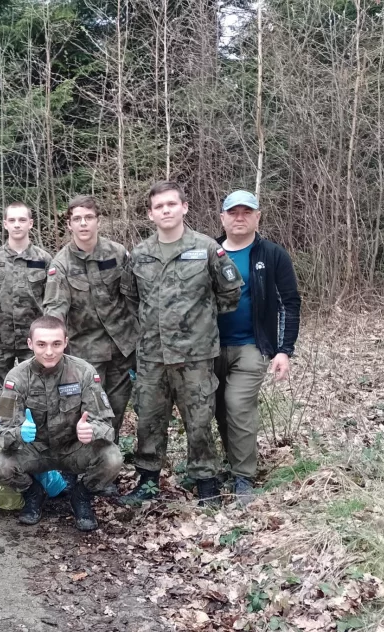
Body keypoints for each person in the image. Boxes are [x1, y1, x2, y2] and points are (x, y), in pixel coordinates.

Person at [119, 181, 243, 508]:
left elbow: (230, 293)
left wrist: (200, 322)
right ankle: (147, 484)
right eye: (159, 207)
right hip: (152, 356)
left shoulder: (206, 248)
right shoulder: (140, 254)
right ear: (150, 214)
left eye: (172, 204)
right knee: (148, 420)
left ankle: (206, 486)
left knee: (199, 421)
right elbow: (131, 298)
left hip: (196, 356)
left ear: (184, 207)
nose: (166, 210)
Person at [0, 315, 122, 531]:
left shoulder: (84, 372)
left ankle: (81, 496)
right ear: (30, 344)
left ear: (66, 343)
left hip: (74, 450)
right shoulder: (17, 378)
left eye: (56, 344)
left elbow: (107, 425)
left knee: (112, 458)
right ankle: (33, 493)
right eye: (41, 344)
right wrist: (19, 433)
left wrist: (91, 430)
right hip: (35, 451)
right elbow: (1, 433)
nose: (49, 351)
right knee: (1, 467)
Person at [215, 190, 301, 504]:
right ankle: (230, 463)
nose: (240, 218)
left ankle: (243, 480)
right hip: (207, 349)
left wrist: (283, 350)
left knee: (238, 406)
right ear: (222, 217)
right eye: (233, 212)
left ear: (257, 217)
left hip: (251, 346)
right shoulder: (208, 252)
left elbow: (289, 303)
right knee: (219, 410)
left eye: (246, 212)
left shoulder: (272, 255)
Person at [42, 195, 139, 446]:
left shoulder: (117, 253)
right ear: (69, 224)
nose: (83, 224)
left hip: (123, 347)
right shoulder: (60, 264)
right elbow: (54, 309)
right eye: (77, 219)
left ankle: (109, 461)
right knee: (88, 411)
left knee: (116, 410)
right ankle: (85, 466)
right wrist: (52, 345)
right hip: (86, 351)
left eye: (88, 218)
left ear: (98, 221)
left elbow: (134, 296)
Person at [0, 202, 52, 412]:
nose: (17, 225)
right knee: (1, 392)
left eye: (22, 220)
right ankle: (4, 436)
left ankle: (34, 438)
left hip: (34, 339)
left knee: (37, 389)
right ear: (5, 224)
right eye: (12, 220)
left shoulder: (44, 259)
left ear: (30, 223)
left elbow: (50, 298)